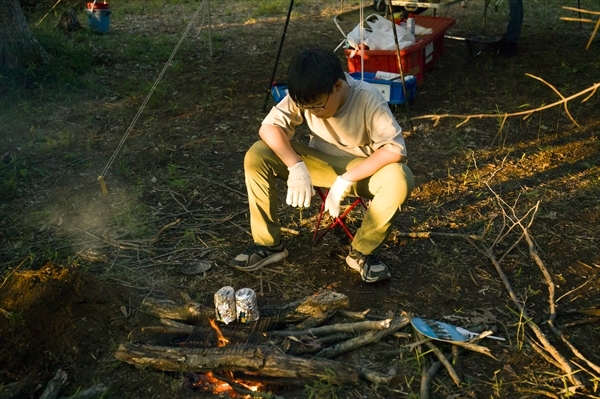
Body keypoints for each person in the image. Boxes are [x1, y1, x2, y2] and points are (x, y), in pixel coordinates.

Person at [229, 47, 414, 283]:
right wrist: (295, 166)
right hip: (317, 164)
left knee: (400, 177)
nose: (313, 112)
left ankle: (362, 253)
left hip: (361, 172)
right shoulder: (308, 93)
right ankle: (268, 245)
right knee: (258, 154)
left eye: (317, 107)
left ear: (337, 86)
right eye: (307, 108)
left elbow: (394, 149)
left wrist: (346, 179)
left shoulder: (367, 98)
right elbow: (268, 127)